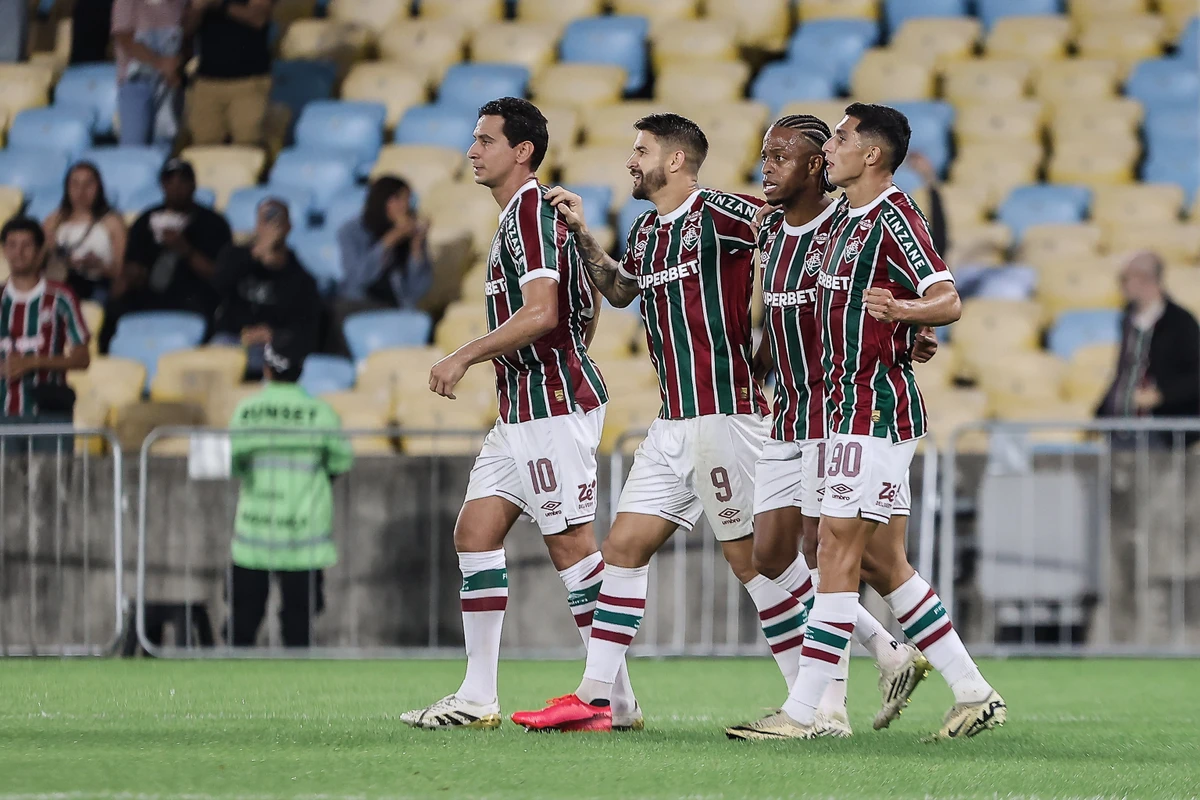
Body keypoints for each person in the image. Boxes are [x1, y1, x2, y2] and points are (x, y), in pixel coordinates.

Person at [511, 114, 810, 732]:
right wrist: (582, 234)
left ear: (675, 161)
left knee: (756, 563)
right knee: (622, 548)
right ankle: (600, 700)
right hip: (674, 421)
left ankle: (843, 679)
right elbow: (622, 291)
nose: (630, 161)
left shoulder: (726, 213)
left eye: (641, 151)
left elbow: (804, 237)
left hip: (724, 414)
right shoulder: (648, 229)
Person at [727, 103, 1004, 742]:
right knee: (877, 562)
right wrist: (903, 332)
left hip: (870, 410)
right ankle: (972, 690)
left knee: (833, 550)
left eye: (844, 138)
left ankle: (808, 714)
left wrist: (907, 313)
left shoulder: (894, 215)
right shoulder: (841, 224)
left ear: (871, 153)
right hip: (822, 410)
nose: (834, 148)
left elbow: (948, 297)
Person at [399, 97, 641, 732]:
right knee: (474, 534)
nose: (472, 150)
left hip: (551, 410)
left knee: (572, 549)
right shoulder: (530, 218)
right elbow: (584, 312)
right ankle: (478, 696)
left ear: (522, 151)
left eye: (485, 140)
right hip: (523, 411)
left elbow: (542, 313)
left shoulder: (531, 213)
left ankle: (613, 699)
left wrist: (464, 356)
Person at [748, 114, 940, 737]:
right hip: (794, 408)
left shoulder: (851, 222)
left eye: (782, 156)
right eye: (765, 155)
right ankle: (891, 653)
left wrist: (911, 320)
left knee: (839, 550)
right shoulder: (770, 226)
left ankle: (822, 708)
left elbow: (901, 287)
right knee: (781, 553)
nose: (767, 166)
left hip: (846, 409)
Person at [225, 332, 354, 647]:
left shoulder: (246, 412)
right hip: (304, 538)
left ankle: (228, 693)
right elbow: (340, 461)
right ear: (300, 371)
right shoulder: (320, 413)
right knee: (298, 629)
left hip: (254, 536)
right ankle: (297, 695)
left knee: (241, 629)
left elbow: (231, 463)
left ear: (267, 370)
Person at [103, 158, 231, 351]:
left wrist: (184, 249)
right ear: (162, 185)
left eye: (183, 181)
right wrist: (134, 274)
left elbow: (220, 276)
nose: (176, 187)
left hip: (194, 296)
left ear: (194, 185)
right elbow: (131, 267)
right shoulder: (146, 221)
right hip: (149, 295)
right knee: (112, 310)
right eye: (170, 181)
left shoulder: (213, 223)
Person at [210, 198, 322, 379]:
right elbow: (217, 287)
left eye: (278, 221)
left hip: (272, 348)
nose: (271, 226)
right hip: (233, 340)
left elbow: (305, 331)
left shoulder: (300, 278)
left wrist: (273, 335)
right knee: (216, 353)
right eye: (265, 220)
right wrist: (255, 254)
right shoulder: (235, 256)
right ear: (256, 225)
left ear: (288, 227)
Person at [1097, 250, 1200, 444]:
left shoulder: (1180, 322)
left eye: (1125, 278)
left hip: (1164, 431)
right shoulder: (1128, 320)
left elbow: (1195, 377)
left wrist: (1161, 395)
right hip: (1123, 426)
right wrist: (1102, 411)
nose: (1121, 285)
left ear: (1146, 279)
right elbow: (1125, 371)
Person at [0, 217, 90, 423]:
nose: (19, 252)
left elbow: (82, 358)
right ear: (4, 250)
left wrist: (34, 362)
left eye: (27, 245)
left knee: (51, 458)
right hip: (2, 414)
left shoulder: (61, 297)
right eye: (12, 245)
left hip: (49, 415)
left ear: (41, 251)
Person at [329, 176, 432, 356]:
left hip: (395, 305)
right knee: (334, 310)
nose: (404, 207)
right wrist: (389, 241)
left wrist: (416, 248)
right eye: (397, 200)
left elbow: (416, 291)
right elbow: (357, 278)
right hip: (358, 300)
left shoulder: (411, 235)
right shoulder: (351, 232)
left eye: (407, 200)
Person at [184, 0, 273, 145]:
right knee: (204, 147)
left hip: (249, 82)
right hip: (207, 82)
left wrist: (219, 4)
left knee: (247, 145)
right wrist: (196, 9)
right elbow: (186, 30)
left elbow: (258, 18)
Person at [42, 162, 127, 304]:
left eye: (88, 185)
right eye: (75, 184)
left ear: (98, 188)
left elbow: (121, 270)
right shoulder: (53, 221)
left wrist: (98, 266)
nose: (81, 191)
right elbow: (40, 258)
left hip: (98, 286)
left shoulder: (113, 223)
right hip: (60, 284)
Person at [111, 0, 186, 146]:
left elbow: (185, 33)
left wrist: (176, 65)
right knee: (133, 147)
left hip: (169, 87)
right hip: (136, 84)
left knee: (164, 146)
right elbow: (123, 37)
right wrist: (160, 63)